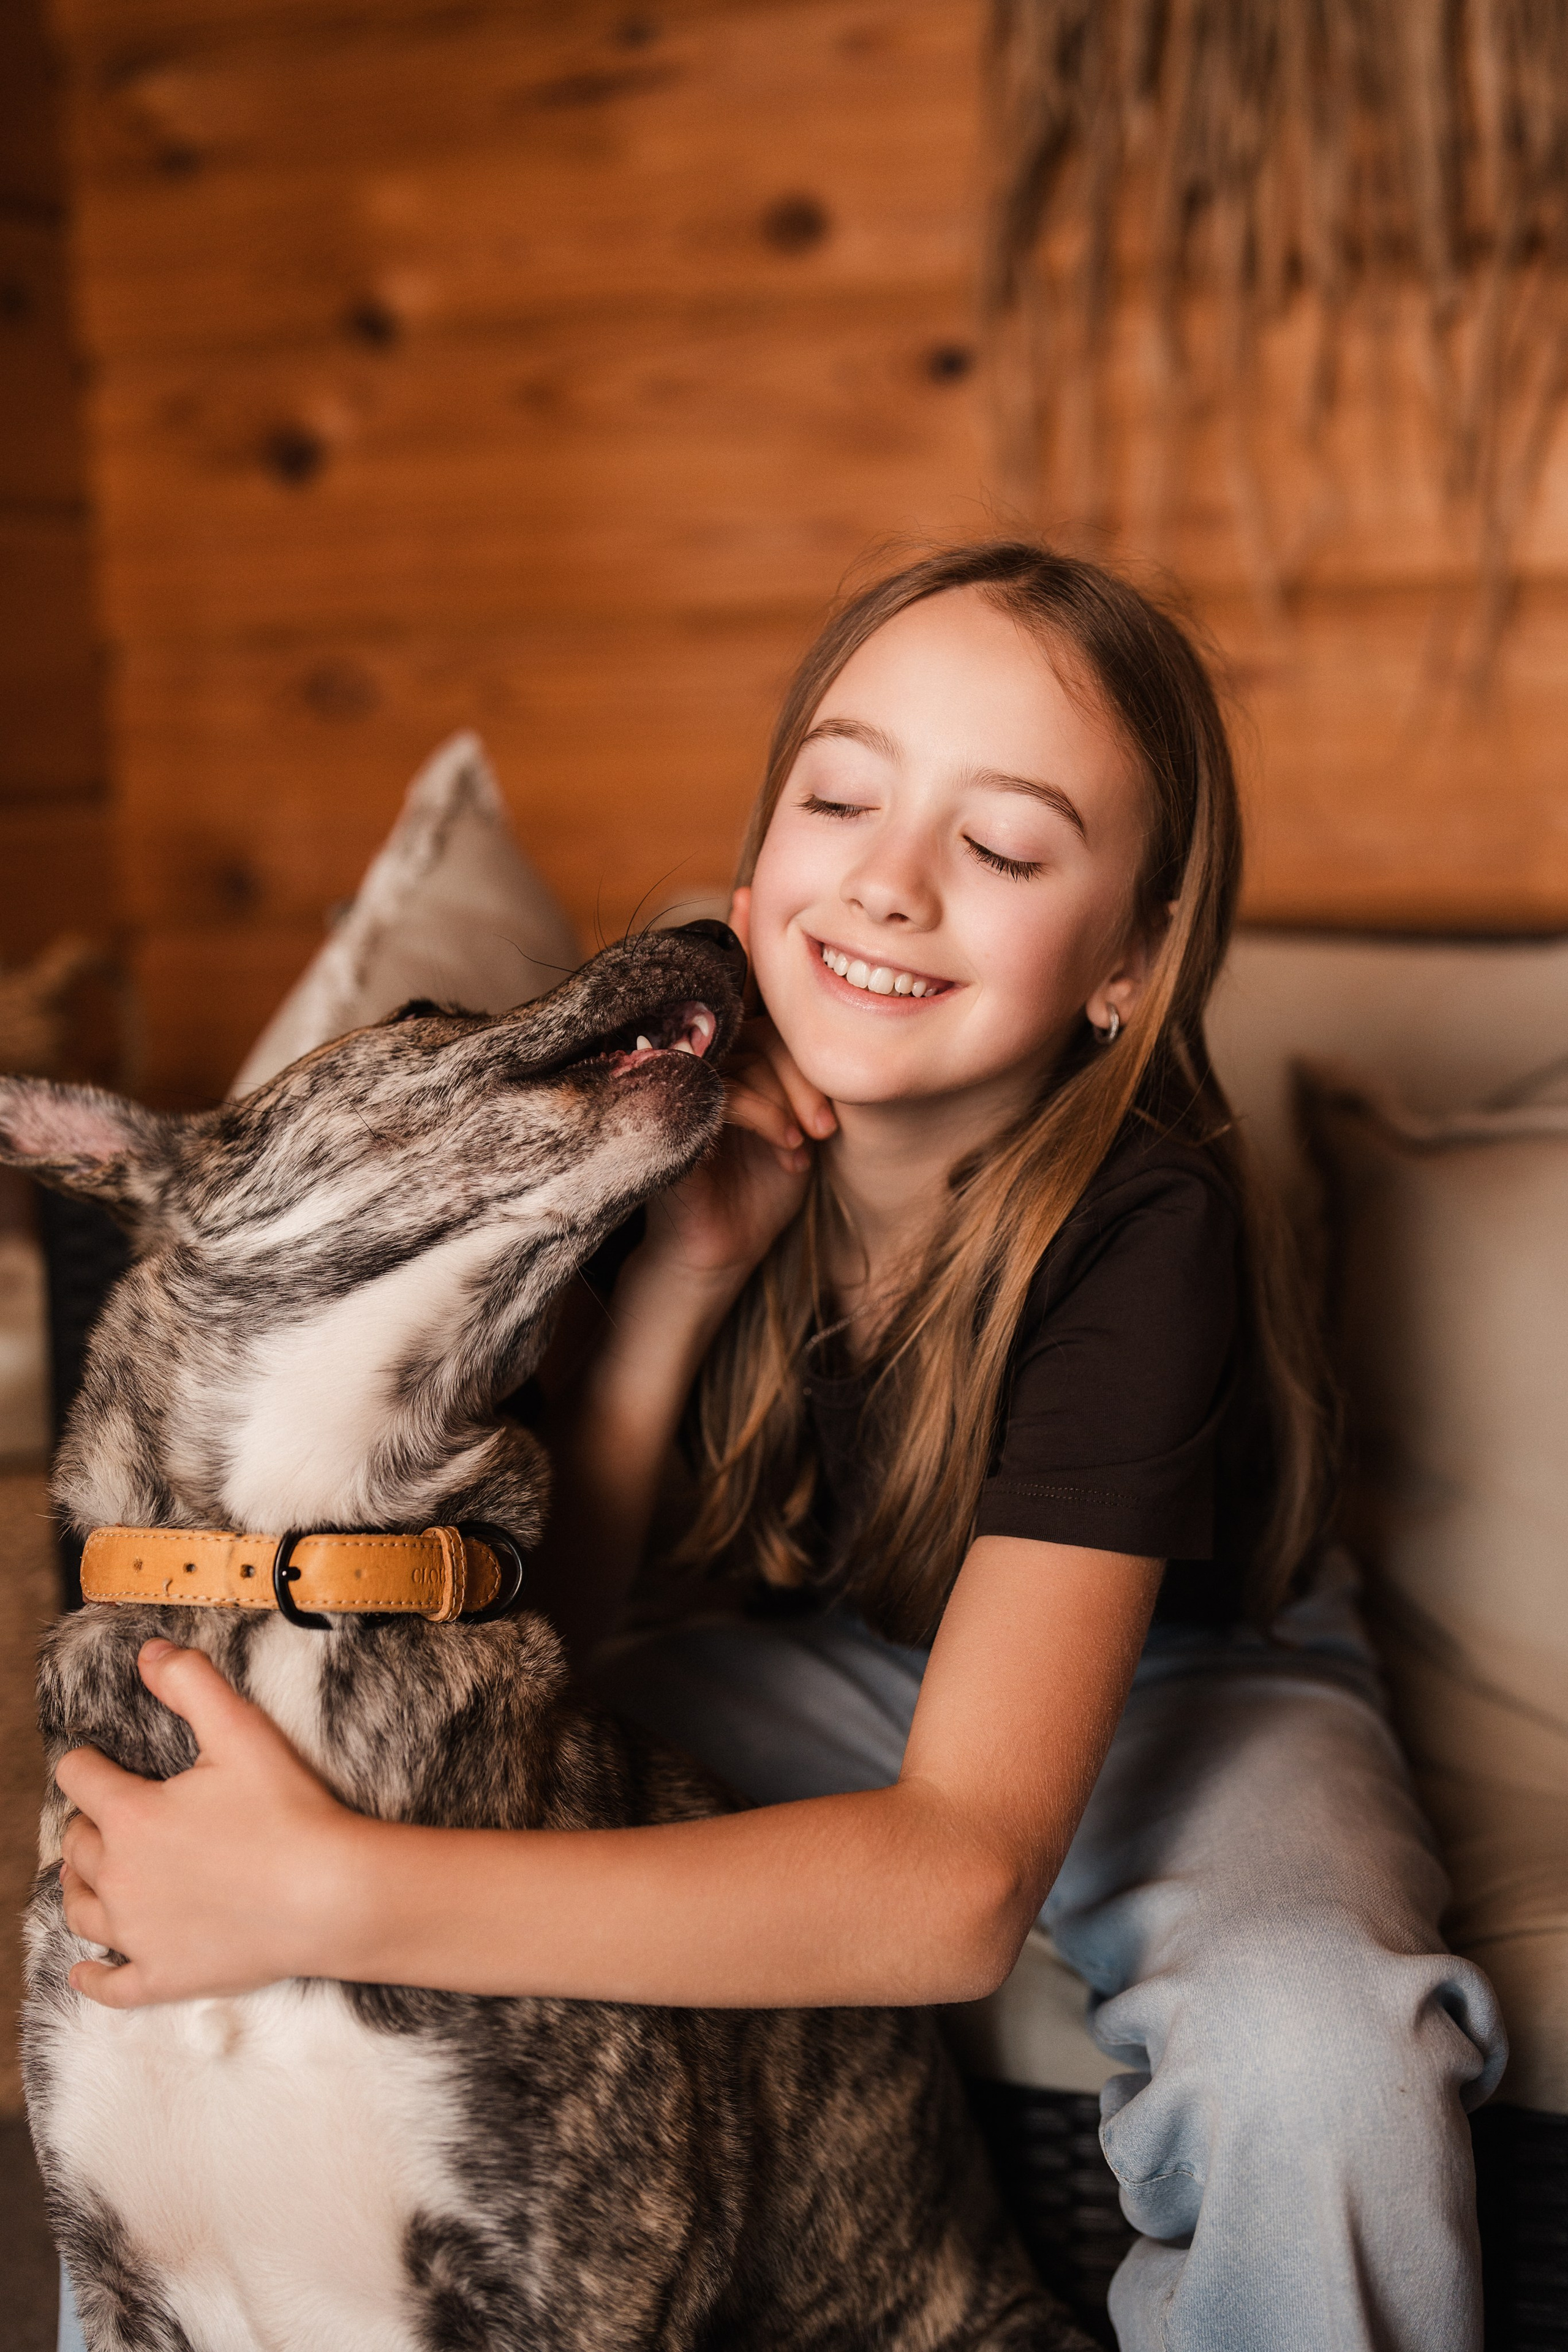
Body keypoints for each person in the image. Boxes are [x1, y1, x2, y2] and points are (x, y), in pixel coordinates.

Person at [55, 543, 1504, 2351]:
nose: (891, 885)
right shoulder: (640, 1134)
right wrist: (684, 1280)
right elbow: (544, 1646)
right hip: (797, 1658)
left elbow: (961, 1888)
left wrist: (329, 1893)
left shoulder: (1149, 1226)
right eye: (843, 797)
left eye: (1001, 846)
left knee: (1318, 2041)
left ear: (1130, 963)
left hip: (1193, 1693)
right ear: (759, 868)